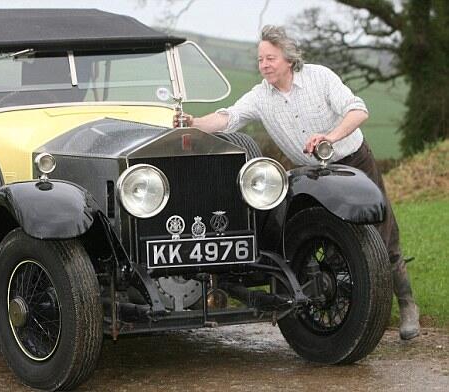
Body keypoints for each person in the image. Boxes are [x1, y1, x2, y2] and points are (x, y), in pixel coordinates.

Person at [175, 25, 419, 340]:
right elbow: (229, 118)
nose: (263, 65)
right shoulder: (261, 95)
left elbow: (358, 110)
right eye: (260, 59)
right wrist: (194, 124)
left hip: (352, 160)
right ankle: (351, 307)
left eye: (270, 58)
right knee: (322, 236)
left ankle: (407, 305)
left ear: (288, 59)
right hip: (311, 174)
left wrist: (329, 137)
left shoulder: (321, 77)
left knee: (384, 233)